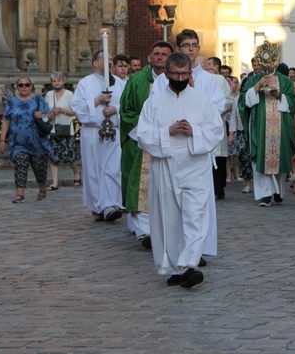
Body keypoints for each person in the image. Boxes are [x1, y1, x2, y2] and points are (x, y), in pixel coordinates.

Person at [137, 53, 225, 288]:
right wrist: (167, 131)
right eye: (175, 74)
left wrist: (194, 130)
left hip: (194, 165)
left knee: (195, 215)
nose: (180, 78)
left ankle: (190, 264)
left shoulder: (201, 99)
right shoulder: (154, 102)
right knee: (170, 219)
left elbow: (216, 130)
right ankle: (176, 267)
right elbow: (142, 136)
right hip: (165, 166)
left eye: (184, 74)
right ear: (166, 74)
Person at [119, 41, 174, 248]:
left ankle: (162, 227)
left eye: (164, 54)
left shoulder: (178, 80)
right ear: (150, 57)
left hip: (169, 141)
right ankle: (143, 231)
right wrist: (147, 131)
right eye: (156, 54)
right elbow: (126, 111)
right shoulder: (136, 80)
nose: (160, 57)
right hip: (140, 141)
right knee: (139, 186)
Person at [71, 50, 126, 222]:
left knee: (113, 168)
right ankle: (99, 206)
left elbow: (127, 105)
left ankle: (111, 203)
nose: (110, 61)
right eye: (106, 59)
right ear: (95, 63)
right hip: (94, 131)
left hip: (114, 130)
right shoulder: (85, 83)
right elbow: (77, 106)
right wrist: (97, 101)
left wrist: (115, 110)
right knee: (94, 169)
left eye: (111, 59)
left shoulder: (119, 83)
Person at [239, 63, 295, 207]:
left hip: (281, 126)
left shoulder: (284, 80)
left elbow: (293, 101)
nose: (267, 65)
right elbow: (243, 101)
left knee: (279, 157)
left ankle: (278, 192)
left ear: (274, 61)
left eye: (270, 61)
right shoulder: (253, 80)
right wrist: (257, 86)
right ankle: (265, 195)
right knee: (260, 158)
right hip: (260, 126)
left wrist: (279, 95)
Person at [0, 77, 53, 203]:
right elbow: (5, 121)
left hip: (38, 142)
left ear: (31, 86)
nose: (24, 87)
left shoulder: (39, 100)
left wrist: (43, 115)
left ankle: (42, 187)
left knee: (40, 168)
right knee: (20, 163)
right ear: (17, 87)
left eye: (26, 85)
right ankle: (20, 194)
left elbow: (51, 115)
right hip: (19, 143)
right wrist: (2, 140)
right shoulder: (12, 102)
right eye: (21, 85)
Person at [44, 72, 81, 190]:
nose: (56, 83)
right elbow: (45, 110)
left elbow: (75, 112)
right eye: (54, 81)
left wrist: (62, 110)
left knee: (69, 156)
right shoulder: (49, 95)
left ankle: (76, 172)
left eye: (58, 80)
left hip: (66, 128)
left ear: (63, 82)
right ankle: (55, 182)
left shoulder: (69, 94)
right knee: (53, 156)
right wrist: (49, 116)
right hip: (53, 128)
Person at [206, 56, 234, 200]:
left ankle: (220, 188)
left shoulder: (221, 81)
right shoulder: (199, 80)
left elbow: (228, 100)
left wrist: (215, 110)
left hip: (217, 122)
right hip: (203, 125)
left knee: (219, 158)